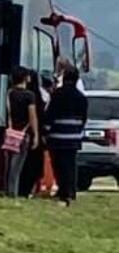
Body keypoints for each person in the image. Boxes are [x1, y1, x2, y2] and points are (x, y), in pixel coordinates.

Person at [44, 67, 88, 206]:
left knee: (58, 164)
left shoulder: (57, 94)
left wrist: (45, 131)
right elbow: (84, 118)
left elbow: (50, 115)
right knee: (71, 165)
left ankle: (63, 191)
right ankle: (71, 192)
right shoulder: (81, 97)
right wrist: (78, 132)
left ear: (64, 78)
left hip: (57, 136)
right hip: (74, 137)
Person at [5, 67, 39, 198]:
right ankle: (12, 192)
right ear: (25, 78)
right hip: (23, 134)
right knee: (17, 165)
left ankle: (8, 189)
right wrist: (35, 134)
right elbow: (32, 116)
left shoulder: (10, 93)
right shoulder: (29, 95)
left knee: (9, 163)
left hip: (11, 132)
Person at [19, 71, 47, 198]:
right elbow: (37, 117)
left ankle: (18, 188)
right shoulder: (36, 98)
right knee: (33, 164)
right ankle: (29, 189)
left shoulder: (13, 94)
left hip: (18, 132)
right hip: (33, 134)